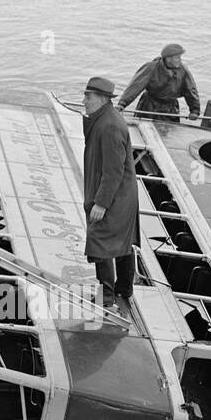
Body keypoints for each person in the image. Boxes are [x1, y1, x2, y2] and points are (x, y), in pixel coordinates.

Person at [80, 76, 139, 304]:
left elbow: (113, 171)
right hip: (119, 194)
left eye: (88, 96)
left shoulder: (110, 125)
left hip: (116, 197)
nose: (84, 101)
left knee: (100, 240)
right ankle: (124, 289)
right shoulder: (104, 119)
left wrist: (101, 203)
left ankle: (106, 296)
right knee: (120, 242)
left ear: (102, 99)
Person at [116, 43, 200, 122]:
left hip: (170, 108)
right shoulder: (151, 67)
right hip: (149, 106)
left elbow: (191, 90)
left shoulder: (183, 70)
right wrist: (122, 104)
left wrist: (195, 110)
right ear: (168, 59)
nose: (180, 60)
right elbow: (135, 86)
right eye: (177, 58)